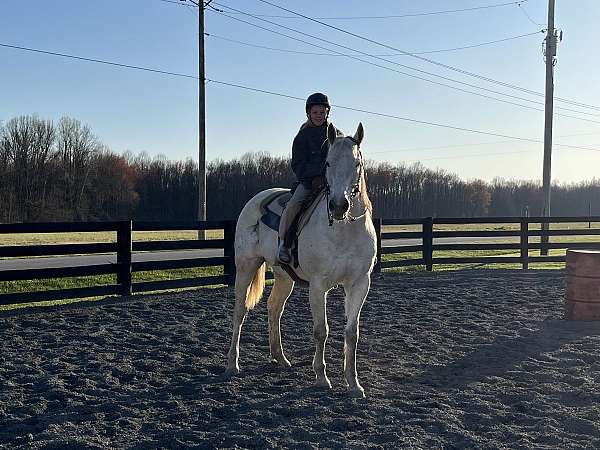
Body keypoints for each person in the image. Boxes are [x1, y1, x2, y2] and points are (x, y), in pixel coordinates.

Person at [278, 92, 333, 265]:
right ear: (309, 113)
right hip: (309, 182)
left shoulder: (335, 134)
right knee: (294, 205)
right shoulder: (302, 136)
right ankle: (284, 244)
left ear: (327, 113)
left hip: (331, 182)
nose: (319, 115)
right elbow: (298, 164)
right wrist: (314, 177)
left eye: (322, 112)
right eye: (316, 112)